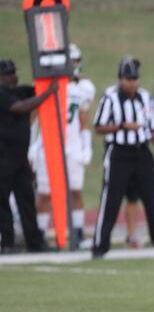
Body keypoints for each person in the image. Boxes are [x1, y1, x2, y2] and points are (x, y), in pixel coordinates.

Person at [92, 57, 154, 258]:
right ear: (121, 79)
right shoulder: (110, 97)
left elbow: (153, 127)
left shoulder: (145, 97)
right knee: (111, 199)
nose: (133, 83)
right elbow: (98, 127)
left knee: (151, 198)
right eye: (129, 79)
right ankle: (100, 246)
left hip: (142, 152)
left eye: (135, 79)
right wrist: (121, 126)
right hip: (119, 152)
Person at [32, 43, 95, 246]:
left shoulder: (84, 88)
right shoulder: (45, 85)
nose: (72, 64)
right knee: (44, 193)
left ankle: (77, 233)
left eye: (75, 61)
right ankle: (39, 236)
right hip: (48, 144)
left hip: (73, 146)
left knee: (75, 190)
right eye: (69, 60)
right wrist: (33, 146)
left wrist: (87, 146)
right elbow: (35, 118)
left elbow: (84, 120)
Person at [0, 59, 55, 253]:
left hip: (20, 157)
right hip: (4, 157)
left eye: (13, 72)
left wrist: (47, 82)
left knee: (26, 200)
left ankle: (34, 242)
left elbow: (33, 90)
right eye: (8, 74)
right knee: (3, 202)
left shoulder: (17, 91)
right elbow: (21, 108)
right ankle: (7, 243)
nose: (13, 76)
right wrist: (48, 94)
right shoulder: (2, 94)